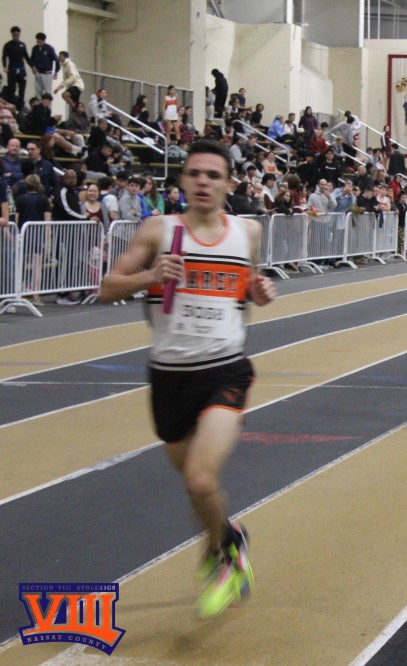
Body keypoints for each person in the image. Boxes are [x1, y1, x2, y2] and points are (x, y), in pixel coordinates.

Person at [98, 139, 277, 618]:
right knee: (197, 487)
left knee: (200, 481)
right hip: (169, 376)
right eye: (195, 173)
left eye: (213, 175)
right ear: (181, 181)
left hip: (225, 370)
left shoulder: (247, 232)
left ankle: (222, 553)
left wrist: (259, 290)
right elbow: (106, 288)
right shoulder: (159, 230)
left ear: (228, 184)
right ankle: (228, 537)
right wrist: (149, 276)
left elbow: (247, 284)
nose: (203, 182)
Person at [2, 26, 29, 109]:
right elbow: (4, 56)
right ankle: (12, 107)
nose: (15, 36)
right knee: (12, 89)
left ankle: (20, 108)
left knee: (22, 90)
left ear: (19, 34)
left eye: (17, 34)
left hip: (21, 70)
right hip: (12, 70)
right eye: (14, 34)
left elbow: (26, 57)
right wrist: (5, 66)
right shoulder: (8, 45)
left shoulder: (22, 45)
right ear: (12, 34)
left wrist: (33, 66)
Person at [29, 32, 59, 98]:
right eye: (37, 41)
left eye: (40, 42)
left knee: (47, 93)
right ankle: (39, 104)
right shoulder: (35, 48)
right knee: (38, 92)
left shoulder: (49, 48)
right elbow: (31, 60)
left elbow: (57, 61)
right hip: (38, 73)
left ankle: (47, 104)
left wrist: (56, 72)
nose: (38, 43)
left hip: (47, 74)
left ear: (44, 41)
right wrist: (33, 67)